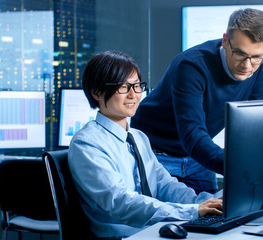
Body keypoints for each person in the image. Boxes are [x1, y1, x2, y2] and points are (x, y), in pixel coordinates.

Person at [68, 50, 222, 240]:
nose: (133, 95)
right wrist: (191, 212)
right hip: (121, 236)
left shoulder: (138, 137)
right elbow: (120, 202)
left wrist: (208, 203)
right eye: (123, 87)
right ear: (97, 92)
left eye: (137, 86)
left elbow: (164, 184)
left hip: (150, 231)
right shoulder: (87, 144)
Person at [131, 8, 263, 194]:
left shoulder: (261, 63)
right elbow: (191, 132)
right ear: (225, 41)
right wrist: (238, 166)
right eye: (239, 54)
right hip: (156, 152)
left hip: (198, 156)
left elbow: (262, 123)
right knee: (163, 219)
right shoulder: (192, 65)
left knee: (211, 217)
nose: (247, 65)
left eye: (256, 57)